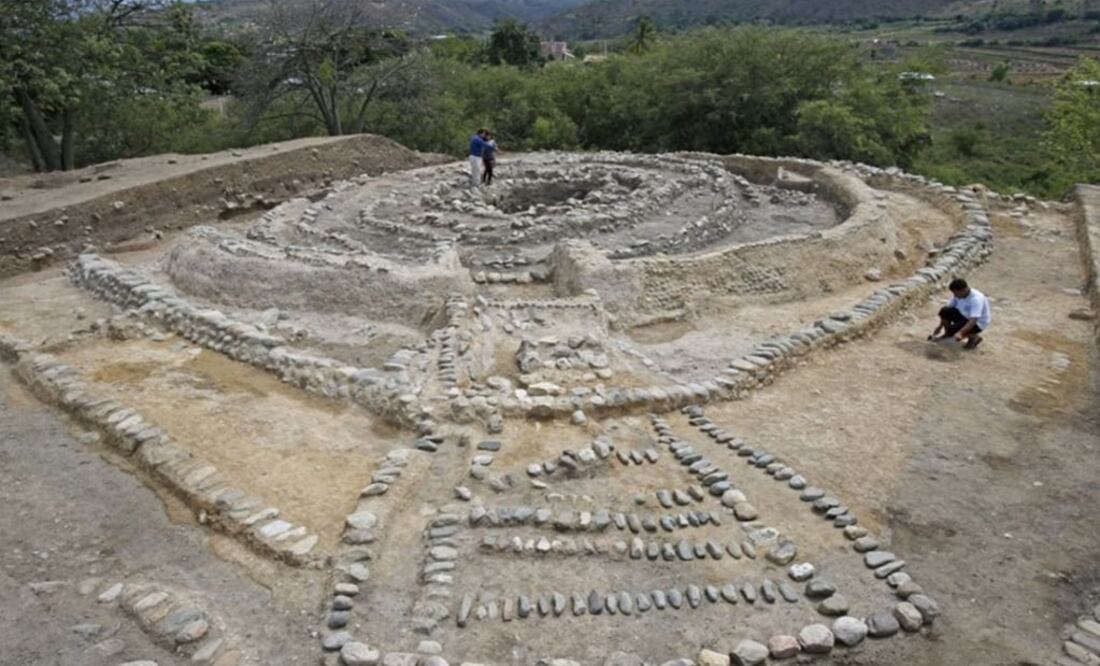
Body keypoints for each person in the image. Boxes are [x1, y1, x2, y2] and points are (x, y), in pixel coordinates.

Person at [928, 278, 991, 350]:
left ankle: (974, 337)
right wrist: (940, 327)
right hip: (964, 316)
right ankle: (948, 335)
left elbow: (973, 320)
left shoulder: (976, 299)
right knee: (945, 310)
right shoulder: (957, 295)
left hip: (977, 323)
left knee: (954, 330)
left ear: (963, 290)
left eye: (955, 293)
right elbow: (947, 310)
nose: (954, 295)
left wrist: (960, 333)